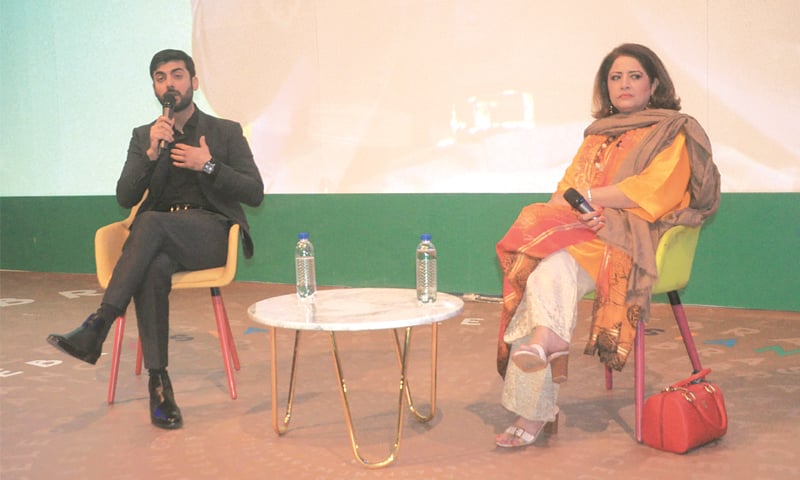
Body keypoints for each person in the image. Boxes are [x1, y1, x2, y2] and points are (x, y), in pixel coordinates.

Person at [493, 43, 720, 448]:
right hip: (589, 232)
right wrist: (579, 212)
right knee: (544, 269)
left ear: (654, 84)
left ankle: (534, 406)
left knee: (542, 262)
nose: (624, 84)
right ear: (606, 87)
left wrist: (593, 200)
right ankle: (545, 345)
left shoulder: (673, 130)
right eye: (615, 77)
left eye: (634, 76)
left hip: (637, 238)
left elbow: (654, 190)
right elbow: (567, 190)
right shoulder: (597, 135)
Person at [47, 49, 264, 429]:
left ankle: (99, 324)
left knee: (147, 226)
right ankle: (159, 384)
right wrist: (149, 154)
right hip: (162, 241)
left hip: (210, 234)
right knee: (151, 266)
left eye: (178, 75)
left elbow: (254, 191)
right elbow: (125, 198)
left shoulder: (225, 131)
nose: (170, 84)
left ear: (194, 83)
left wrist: (207, 165)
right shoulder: (144, 136)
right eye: (161, 78)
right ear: (154, 88)